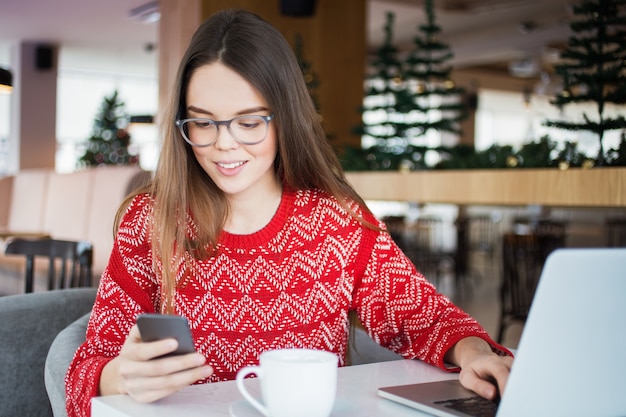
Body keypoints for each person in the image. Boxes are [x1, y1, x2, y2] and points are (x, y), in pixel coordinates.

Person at [66, 8, 513, 417]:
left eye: (249, 122)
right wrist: (120, 376)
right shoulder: (151, 220)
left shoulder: (336, 219)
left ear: (285, 118)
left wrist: (474, 353)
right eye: (202, 122)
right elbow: (83, 373)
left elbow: (425, 317)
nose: (224, 144)